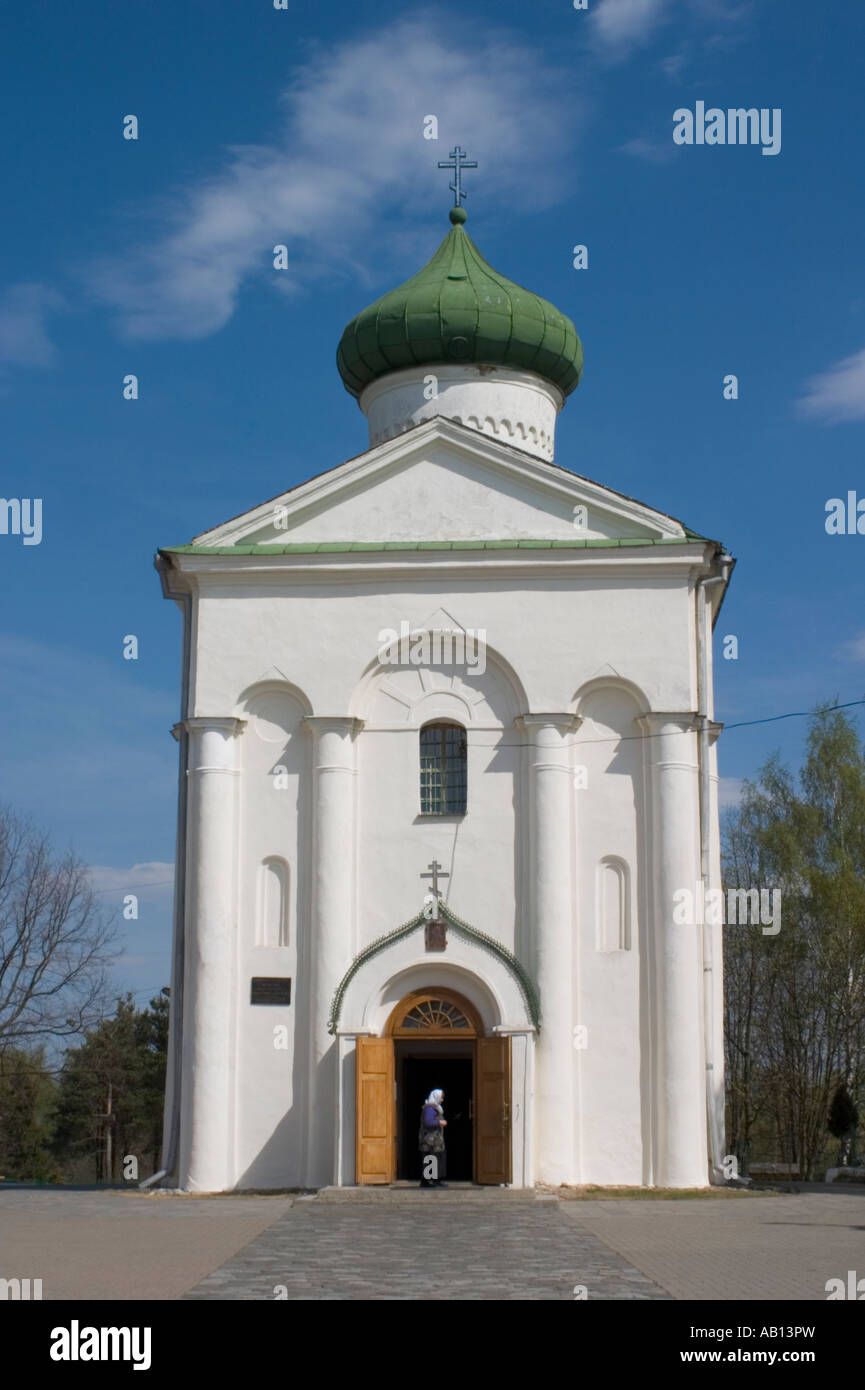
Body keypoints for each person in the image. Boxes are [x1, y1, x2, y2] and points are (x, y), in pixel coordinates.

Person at [418, 1088, 448, 1188]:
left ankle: (436, 1180)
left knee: (436, 1158)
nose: (442, 1100)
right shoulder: (430, 1108)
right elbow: (428, 1122)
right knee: (430, 1158)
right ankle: (427, 1181)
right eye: (441, 1098)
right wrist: (440, 1122)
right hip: (429, 1140)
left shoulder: (436, 1107)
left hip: (435, 1140)